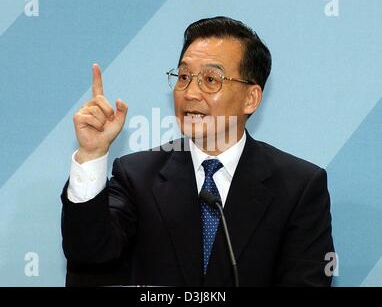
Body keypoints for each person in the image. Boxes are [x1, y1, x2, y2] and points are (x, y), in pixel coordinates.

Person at [61, 16, 334, 287]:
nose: (190, 93)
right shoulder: (137, 175)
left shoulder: (299, 186)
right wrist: (91, 154)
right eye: (183, 77)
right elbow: (88, 255)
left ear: (250, 98)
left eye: (211, 79)